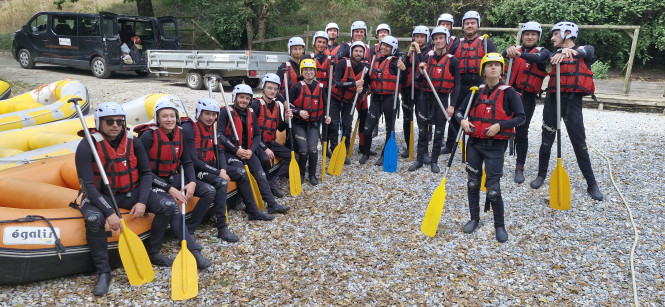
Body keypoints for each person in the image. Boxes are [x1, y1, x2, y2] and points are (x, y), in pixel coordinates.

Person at [76, 102, 212, 296]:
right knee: (93, 219)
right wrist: (108, 213)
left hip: (130, 191)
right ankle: (103, 273)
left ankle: (154, 252)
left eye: (119, 121)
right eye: (109, 121)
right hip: (100, 196)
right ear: (99, 123)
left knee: (167, 205)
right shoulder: (86, 145)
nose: (115, 125)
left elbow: (146, 173)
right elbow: (88, 186)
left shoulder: (133, 140)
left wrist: (141, 201)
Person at [456, 53, 525, 243]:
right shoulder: (475, 91)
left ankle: (499, 225)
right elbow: (459, 111)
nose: (493, 68)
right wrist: (462, 120)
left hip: (495, 146)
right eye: (489, 65)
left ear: (502, 70)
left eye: (497, 65)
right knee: (472, 183)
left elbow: (520, 117)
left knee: (493, 188)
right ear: (483, 70)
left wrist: (499, 126)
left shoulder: (509, 92)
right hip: (475, 144)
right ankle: (474, 218)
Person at [530, 21, 603, 201]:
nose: (552, 37)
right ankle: (541, 174)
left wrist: (571, 52)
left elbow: (588, 52)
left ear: (567, 33)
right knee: (546, 140)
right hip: (553, 101)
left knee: (579, 143)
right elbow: (543, 57)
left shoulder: (585, 50)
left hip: (573, 102)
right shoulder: (552, 53)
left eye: (555, 34)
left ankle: (591, 182)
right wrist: (559, 53)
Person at [181, 98, 252, 242]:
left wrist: (224, 170)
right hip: (195, 170)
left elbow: (219, 151)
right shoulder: (189, 129)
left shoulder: (212, 127)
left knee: (239, 172)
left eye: (214, 115)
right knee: (220, 183)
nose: (211, 118)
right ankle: (205, 228)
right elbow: (193, 159)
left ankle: (250, 210)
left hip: (211, 167)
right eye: (207, 114)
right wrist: (218, 173)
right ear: (199, 113)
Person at [218, 84, 291, 215]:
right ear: (235, 97)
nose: (244, 101)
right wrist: (236, 151)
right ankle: (252, 210)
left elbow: (257, 135)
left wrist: (251, 150)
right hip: (230, 153)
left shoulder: (250, 112)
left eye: (247, 98)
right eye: (241, 97)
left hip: (248, 151)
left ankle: (272, 204)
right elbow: (220, 136)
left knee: (262, 175)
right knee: (243, 174)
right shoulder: (225, 112)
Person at [502, 21, 550, 183]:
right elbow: (499, 57)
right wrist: (505, 52)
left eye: (533, 34)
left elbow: (539, 58)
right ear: (522, 36)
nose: (529, 37)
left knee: (521, 132)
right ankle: (495, 160)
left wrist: (518, 54)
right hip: (509, 95)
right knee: (501, 127)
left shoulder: (543, 52)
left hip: (526, 97)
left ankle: (519, 166)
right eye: (526, 34)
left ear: (538, 37)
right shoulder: (515, 49)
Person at [410, 27, 461, 173]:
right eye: (436, 38)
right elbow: (418, 80)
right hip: (425, 96)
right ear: (432, 41)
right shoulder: (427, 57)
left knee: (439, 131)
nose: (438, 41)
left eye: (441, 38)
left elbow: (457, 85)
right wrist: (420, 72)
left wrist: (452, 106)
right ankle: (420, 159)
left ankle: (434, 160)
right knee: (422, 130)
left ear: (446, 40)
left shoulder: (453, 61)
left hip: (442, 97)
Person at [451, 10, 497, 154]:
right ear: (463, 26)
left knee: (478, 114)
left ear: (478, 25)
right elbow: (449, 61)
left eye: (472, 23)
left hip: (478, 84)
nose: (469, 26)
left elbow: (494, 61)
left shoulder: (485, 42)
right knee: (456, 114)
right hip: (460, 84)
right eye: (467, 23)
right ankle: (450, 144)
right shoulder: (457, 43)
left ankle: (477, 141)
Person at [361, 35, 407, 166]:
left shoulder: (396, 62)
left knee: (389, 128)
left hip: (390, 98)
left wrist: (404, 70)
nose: (384, 48)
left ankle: (384, 155)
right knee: (367, 126)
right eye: (383, 45)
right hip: (376, 97)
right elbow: (369, 79)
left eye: (388, 46)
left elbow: (403, 81)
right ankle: (366, 152)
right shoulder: (375, 60)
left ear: (393, 49)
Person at [288, 59, 332, 184]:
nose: (308, 72)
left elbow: (326, 107)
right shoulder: (296, 87)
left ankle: (312, 174)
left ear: (315, 72)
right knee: (303, 150)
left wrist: (327, 117)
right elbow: (288, 106)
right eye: (306, 70)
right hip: (299, 124)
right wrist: (298, 112)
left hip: (313, 124)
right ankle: (301, 173)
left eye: (311, 70)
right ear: (302, 72)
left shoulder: (321, 87)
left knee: (313, 150)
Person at [250, 73, 293, 198]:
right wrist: (264, 148)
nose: (272, 91)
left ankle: (274, 182)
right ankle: (266, 186)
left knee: (292, 156)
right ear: (263, 88)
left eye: (275, 89)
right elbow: (252, 132)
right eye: (270, 88)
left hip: (271, 143)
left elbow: (279, 127)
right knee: (264, 159)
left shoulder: (276, 105)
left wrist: (285, 119)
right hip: (257, 144)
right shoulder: (255, 105)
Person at [330, 41, 370, 164]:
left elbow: (366, 87)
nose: (358, 53)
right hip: (335, 100)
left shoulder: (364, 69)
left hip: (349, 101)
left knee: (347, 127)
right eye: (356, 51)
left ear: (363, 54)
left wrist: (362, 90)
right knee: (334, 126)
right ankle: (334, 150)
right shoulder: (342, 63)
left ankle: (344, 151)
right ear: (351, 52)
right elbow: (336, 83)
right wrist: (354, 84)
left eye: (360, 51)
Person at [401, 25, 431, 160]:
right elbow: (404, 67)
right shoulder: (409, 52)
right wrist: (408, 55)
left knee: (422, 121)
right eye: (417, 37)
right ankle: (409, 147)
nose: (419, 39)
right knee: (407, 120)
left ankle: (424, 151)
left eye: (422, 37)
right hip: (408, 90)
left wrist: (418, 52)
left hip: (422, 91)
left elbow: (424, 64)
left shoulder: (429, 52)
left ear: (426, 38)